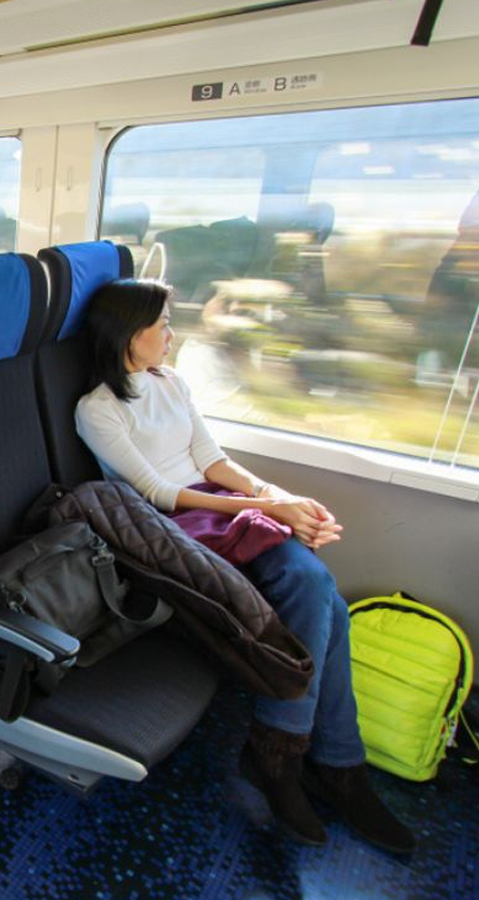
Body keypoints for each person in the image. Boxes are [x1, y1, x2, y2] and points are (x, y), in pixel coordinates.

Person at [73, 278, 414, 854]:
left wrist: (279, 495)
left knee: (324, 600)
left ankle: (298, 753)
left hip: (220, 506)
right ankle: (313, 760)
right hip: (173, 529)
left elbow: (212, 458)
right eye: (162, 325)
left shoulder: (171, 381)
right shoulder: (96, 410)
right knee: (311, 582)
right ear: (129, 336)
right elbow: (158, 492)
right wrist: (266, 507)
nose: (172, 335)